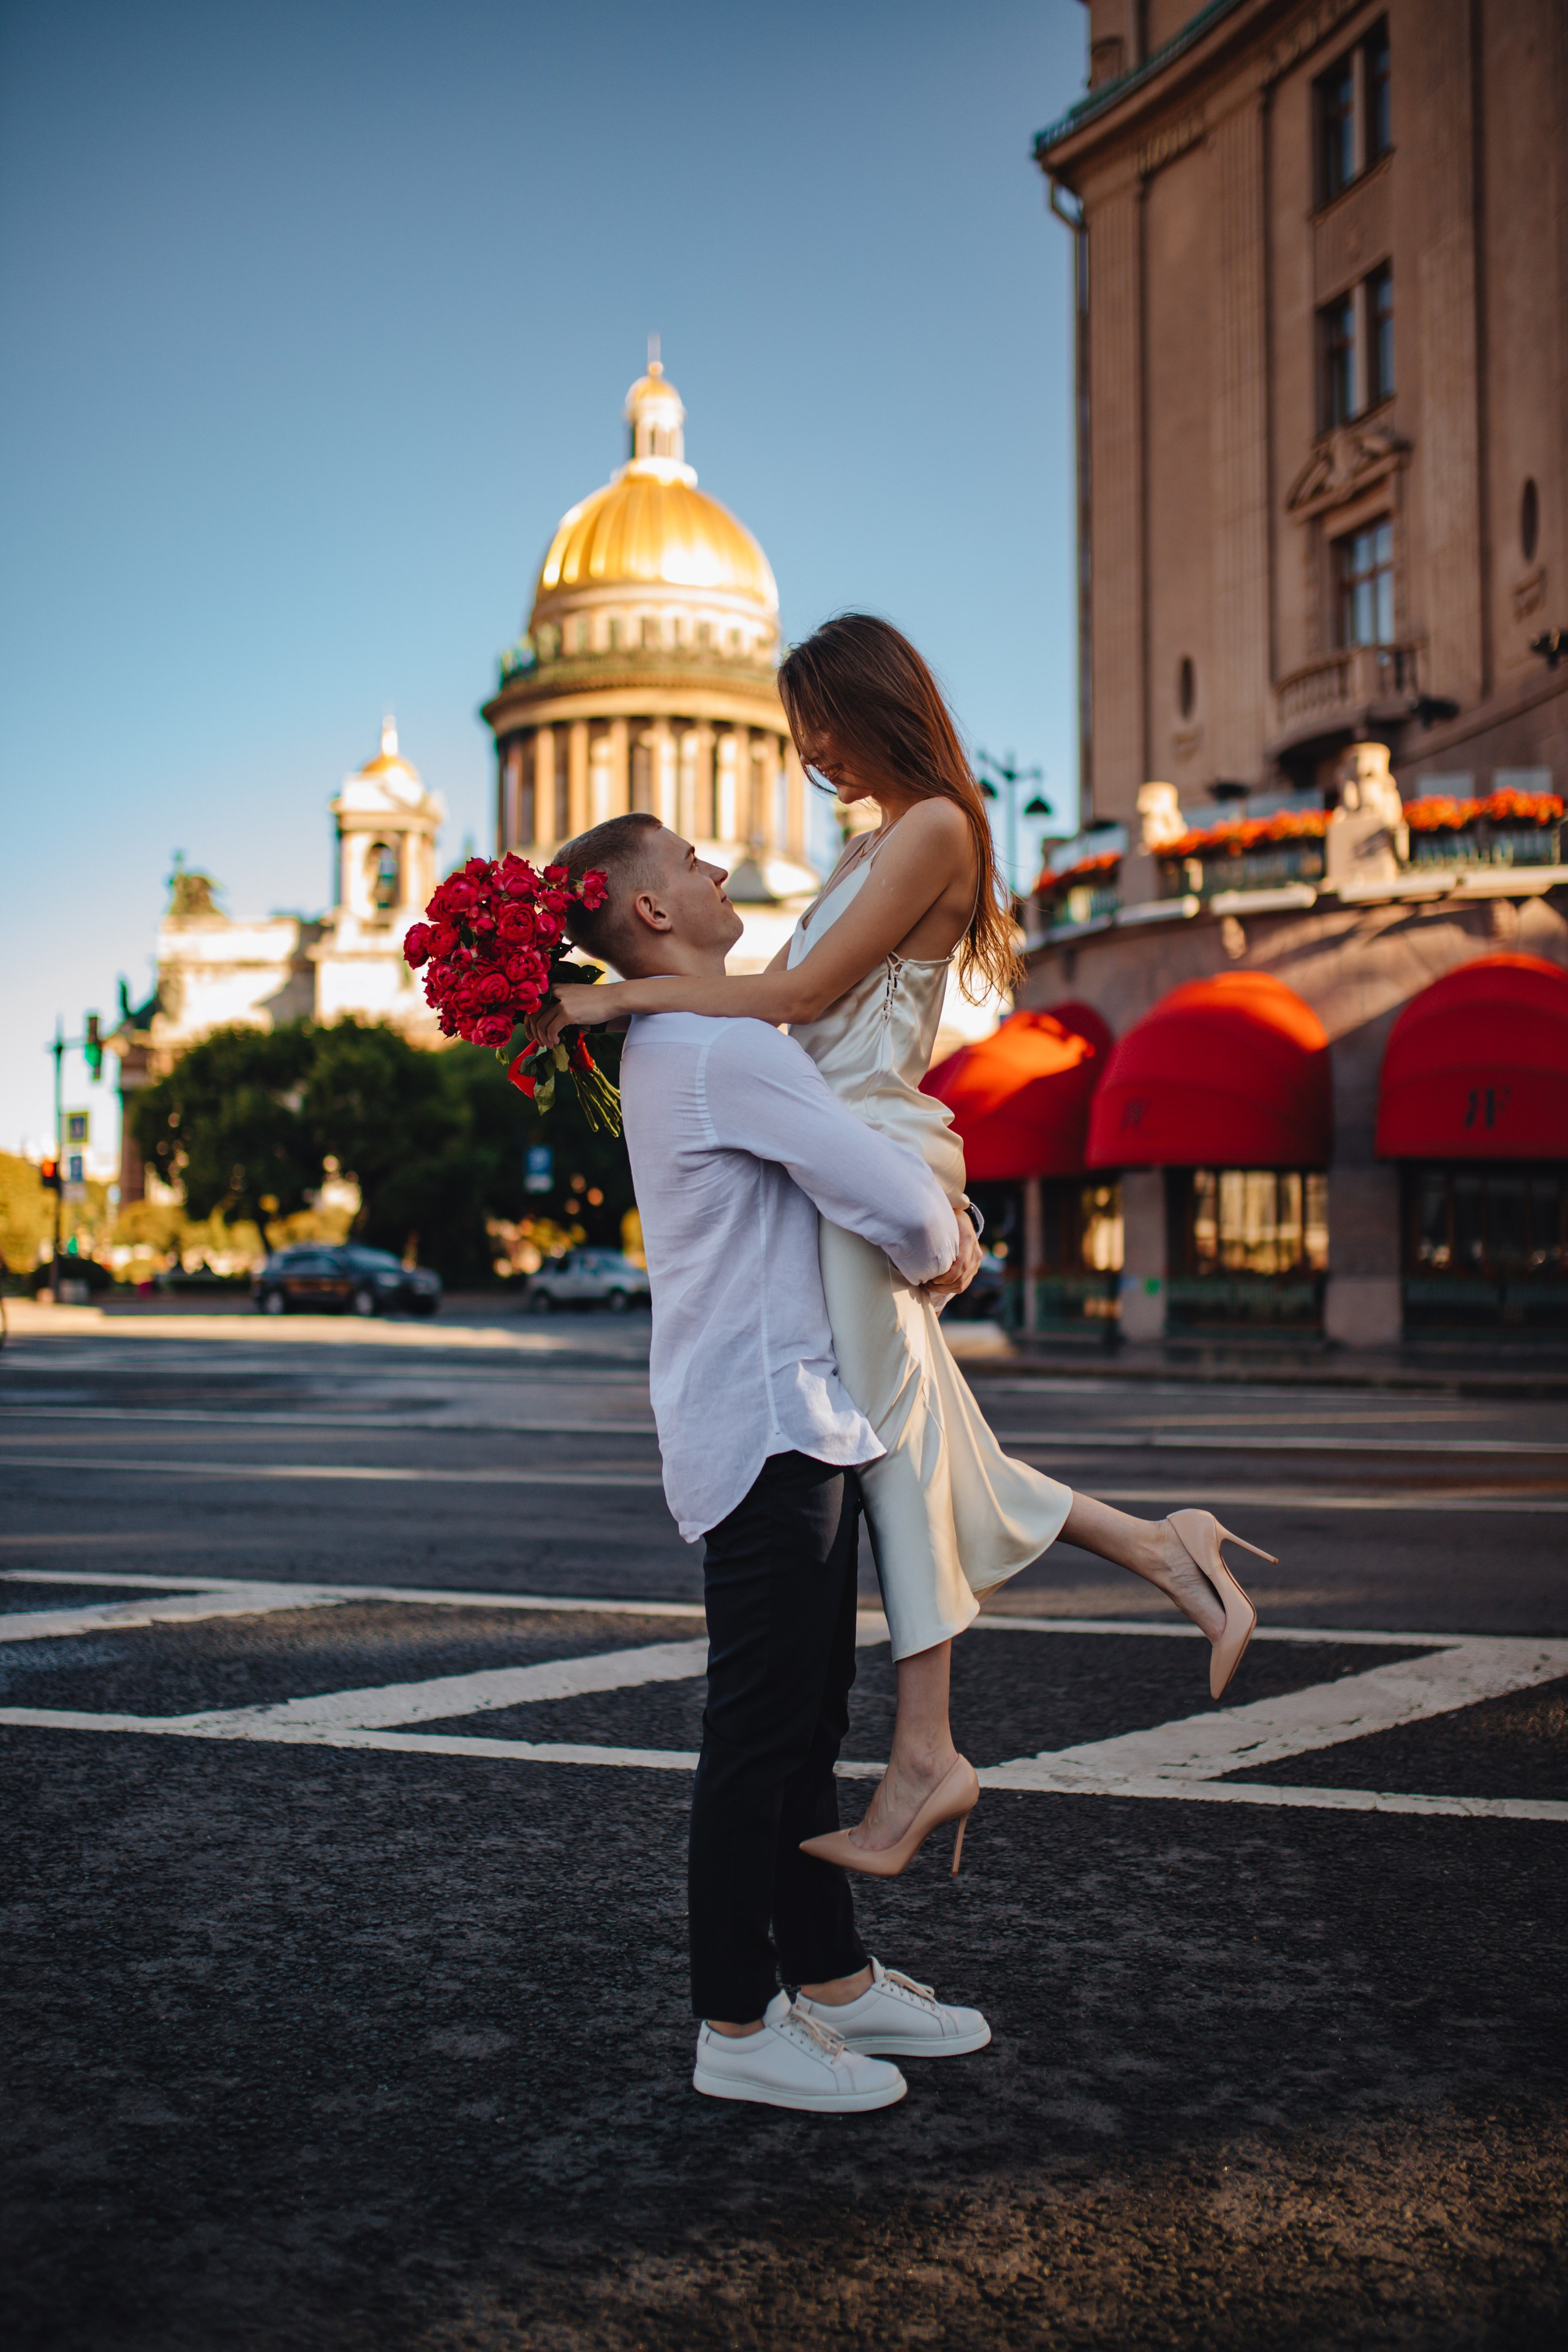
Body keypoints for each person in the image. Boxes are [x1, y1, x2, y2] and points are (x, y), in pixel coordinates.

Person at [543, 617, 1269, 1873]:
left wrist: (617, 996)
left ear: (870, 700)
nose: (807, 749)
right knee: (931, 1437)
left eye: (814, 719)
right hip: (845, 1140)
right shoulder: (873, 842)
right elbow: (765, 1011)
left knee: (887, 1442)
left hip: (869, 1142)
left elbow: (796, 1003)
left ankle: (926, 1750)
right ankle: (1165, 1546)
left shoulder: (931, 824)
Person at [558, 809, 993, 2113]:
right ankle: (735, 2023)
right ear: (646, 913)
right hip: (765, 1421)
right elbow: (886, 1192)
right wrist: (947, 1246)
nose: (718, 866)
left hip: (779, 1413)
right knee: (760, 1732)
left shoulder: (678, 1038)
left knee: (800, 1722)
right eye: (690, 864)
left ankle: (830, 1978)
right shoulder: (712, 1043)